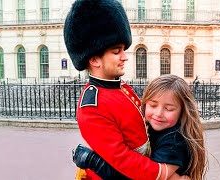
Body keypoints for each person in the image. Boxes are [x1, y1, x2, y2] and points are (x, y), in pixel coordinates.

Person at [63, 0, 186, 179]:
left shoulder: (120, 87)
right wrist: (164, 174)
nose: (124, 57)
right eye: (116, 51)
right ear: (95, 60)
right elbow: (123, 161)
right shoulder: (92, 106)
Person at [73, 74, 207, 180]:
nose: (158, 114)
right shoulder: (150, 127)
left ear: (183, 111)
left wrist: (93, 161)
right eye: (153, 105)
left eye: (169, 109)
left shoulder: (174, 141)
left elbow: (140, 176)